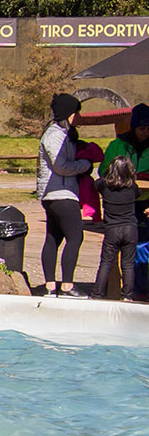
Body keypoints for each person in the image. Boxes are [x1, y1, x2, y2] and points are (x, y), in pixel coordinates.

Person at [36, 93, 92, 297]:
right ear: (67, 113)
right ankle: (67, 286)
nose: (78, 116)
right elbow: (60, 165)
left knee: (53, 237)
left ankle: (50, 286)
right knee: (75, 236)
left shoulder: (63, 133)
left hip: (56, 194)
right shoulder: (55, 135)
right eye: (76, 112)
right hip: (60, 193)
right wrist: (84, 165)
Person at [102, 104, 149, 297]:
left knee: (144, 246)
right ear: (134, 127)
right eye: (142, 128)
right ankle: (131, 290)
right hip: (125, 203)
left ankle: (142, 288)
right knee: (128, 249)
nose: (145, 132)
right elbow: (104, 171)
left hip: (146, 202)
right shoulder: (118, 145)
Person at [92, 157, 139, 301]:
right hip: (130, 227)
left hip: (112, 228)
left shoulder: (104, 185)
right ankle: (127, 296)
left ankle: (97, 294)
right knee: (128, 264)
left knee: (106, 262)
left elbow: (96, 182)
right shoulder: (133, 188)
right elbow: (137, 195)